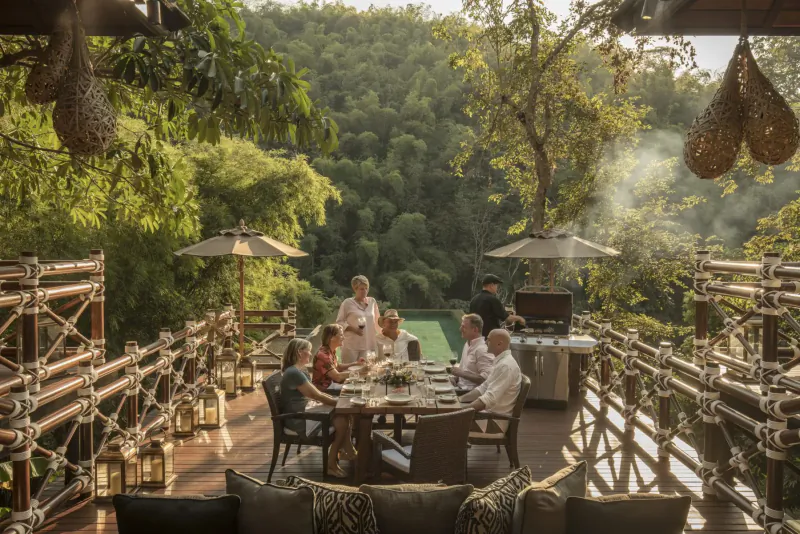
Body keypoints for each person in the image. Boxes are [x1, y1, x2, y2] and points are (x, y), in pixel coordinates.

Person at [279, 338, 357, 478]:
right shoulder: (294, 373)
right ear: (299, 352)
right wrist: (339, 403)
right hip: (299, 419)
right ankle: (341, 456)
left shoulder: (298, 370)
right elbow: (317, 395)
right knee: (343, 418)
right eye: (308, 350)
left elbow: (317, 394)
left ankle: (338, 458)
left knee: (343, 419)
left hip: (306, 411)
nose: (310, 354)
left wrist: (337, 402)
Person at [458, 329, 522, 436]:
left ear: (499, 344)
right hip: (487, 416)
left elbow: (488, 399)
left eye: (488, 340)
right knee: (448, 419)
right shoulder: (501, 361)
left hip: (494, 422)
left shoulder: (505, 366)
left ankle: (451, 452)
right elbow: (482, 388)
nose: (485, 342)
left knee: (447, 424)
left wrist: (460, 411)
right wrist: (460, 400)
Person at [336, 275, 380, 364]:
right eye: (361, 289)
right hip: (351, 345)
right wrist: (354, 329)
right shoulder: (347, 303)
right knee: (349, 371)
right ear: (355, 289)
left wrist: (384, 335)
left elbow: (377, 321)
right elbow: (339, 322)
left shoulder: (372, 302)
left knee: (366, 372)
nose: (365, 291)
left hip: (368, 344)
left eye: (366, 288)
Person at [312, 324, 365, 391]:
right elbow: (338, 377)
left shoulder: (329, 350)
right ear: (332, 337)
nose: (344, 338)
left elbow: (337, 367)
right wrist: (360, 372)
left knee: (359, 384)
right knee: (358, 389)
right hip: (324, 389)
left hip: (332, 385)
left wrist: (356, 363)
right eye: (341, 335)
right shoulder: (323, 355)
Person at [450, 314, 494, 392]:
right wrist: (454, 378)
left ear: (475, 330)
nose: (460, 329)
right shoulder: (467, 344)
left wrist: (462, 374)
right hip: (459, 388)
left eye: (464, 327)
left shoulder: (482, 350)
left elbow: (487, 379)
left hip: (469, 393)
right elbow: (462, 369)